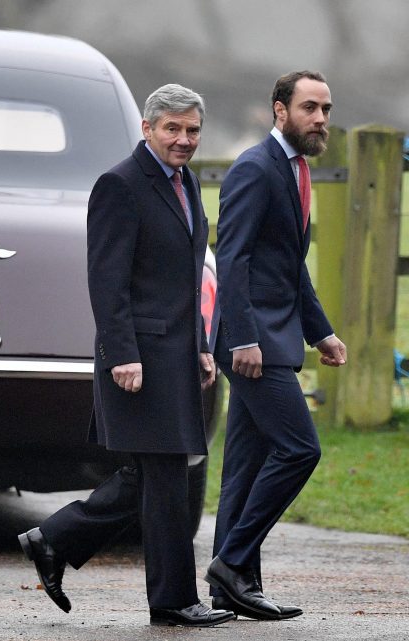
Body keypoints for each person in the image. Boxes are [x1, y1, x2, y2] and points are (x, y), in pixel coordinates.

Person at [17, 84, 234, 628]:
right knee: (164, 477)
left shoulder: (186, 184)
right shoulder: (120, 185)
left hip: (178, 354)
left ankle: (52, 539)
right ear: (147, 128)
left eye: (192, 130)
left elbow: (185, 278)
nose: (184, 140)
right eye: (172, 129)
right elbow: (107, 279)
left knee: (150, 474)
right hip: (140, 356)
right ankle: (174, 600)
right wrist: (121, 354)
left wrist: (202, 346)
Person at [206, 70, 347, 620]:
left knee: (244, 466)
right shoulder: (254, 168)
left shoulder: (295, 171)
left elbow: (288, 268)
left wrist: (322, 331)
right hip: (253, 346)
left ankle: (230, 588)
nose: (320, 119)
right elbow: (233, 258)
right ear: (279, 110)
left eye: (326, 109)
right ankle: (233, 561)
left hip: (276, 339)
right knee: (300, 449)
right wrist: (241, 337)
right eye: (310, 108)